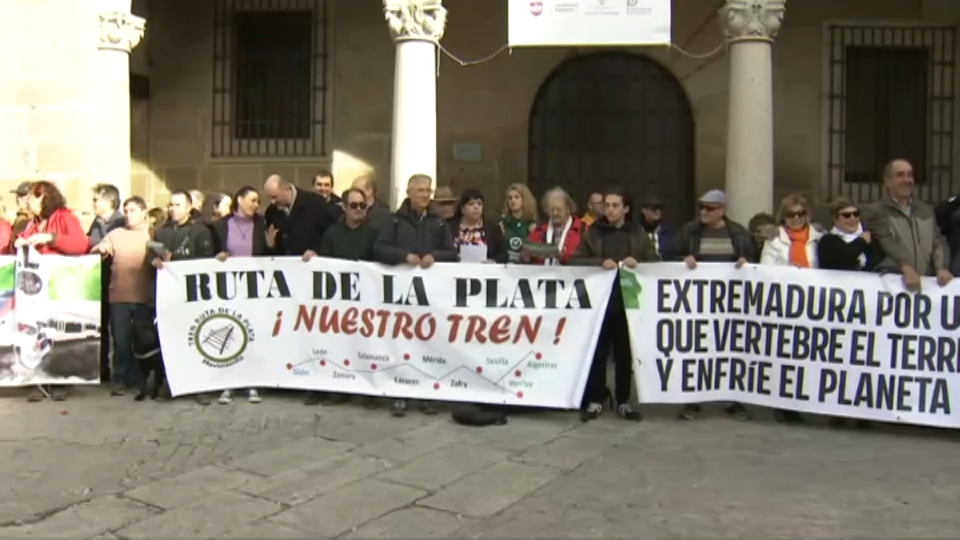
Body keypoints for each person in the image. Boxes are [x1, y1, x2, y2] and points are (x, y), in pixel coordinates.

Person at [571, 187, 656, 421]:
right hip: (600, 304)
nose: (609, 209)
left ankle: (623, 400)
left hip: (628, 303)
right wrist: (599, 262)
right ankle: (597, 399)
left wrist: (637, 261)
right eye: (606, 205)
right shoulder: (593, 233)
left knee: (624, 354)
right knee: (597, 353)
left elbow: (655, 261)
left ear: (626, 208)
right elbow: (575, 259)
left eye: (615, 205)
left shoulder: (638, 234)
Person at [375, 174, 456, 417]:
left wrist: (435, 257)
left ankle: (426, 394)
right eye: (420, 190)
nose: (425, 195)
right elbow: (379, 248)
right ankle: (400, 393)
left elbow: (452, 253)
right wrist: (404, 257)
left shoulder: (438, 222)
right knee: (402, 343)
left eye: (428, 190)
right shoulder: (395, 222)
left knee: (428, 344)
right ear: (409, 193)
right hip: (402, 296)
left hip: (430, 296)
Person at [670, 189, 755, 421]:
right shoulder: (689, 231)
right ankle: (693, 399)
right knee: (696, 348)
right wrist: (682, 260)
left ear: (722, 211)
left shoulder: (738, 233)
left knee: (731, 349)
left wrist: (746, 262)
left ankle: (734, 399)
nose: (704, 212)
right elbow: (669, 255)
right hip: (697, 303)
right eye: (702, 207)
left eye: (710, 208)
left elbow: (754, 261)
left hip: (730, 304)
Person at [307, 187, 384, 409]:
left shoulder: (375, 233)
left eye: (363, 205)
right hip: (339, 302)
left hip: (367, 301)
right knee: (339, 345)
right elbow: (323, 264)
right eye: (354, 205)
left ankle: (368, 390)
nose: (359, 209)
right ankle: (337, 388)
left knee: (366, 345)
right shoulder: (332, 233)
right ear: (344, 207)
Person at [15, 181, 89, 403]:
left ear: (44, 198)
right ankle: (39, 380)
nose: (28, 202)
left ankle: (60, 380)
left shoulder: (64, 217)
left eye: (33, 198)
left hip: (59, 283)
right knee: (37, 331)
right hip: (36, 287)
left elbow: (80, 244)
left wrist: (51, 238)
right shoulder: (33, 223)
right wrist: (21, 243)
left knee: (57, 331)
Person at [759, 194, 823, 424]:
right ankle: (782, 404)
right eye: (791, 214)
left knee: (804, 356)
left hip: (812, 306)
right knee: (784, 356)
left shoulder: (819, 239)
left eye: (800, 214)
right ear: (783, 217)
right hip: (785, 306)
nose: (796, 218)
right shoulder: (773, 241)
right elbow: (766, 270)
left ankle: (800, 400)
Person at [818, 197, 879, 429]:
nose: (852, 219)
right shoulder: (828, 241)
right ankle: (838, 410)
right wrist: (862, 241)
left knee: (864, 359)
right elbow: (841, 258)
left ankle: (863, 410)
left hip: (866, 309)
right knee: (840, 359)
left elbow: (877, 262)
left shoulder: (869, 240)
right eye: (846, 215)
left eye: (855, 214)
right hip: (838, 310)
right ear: (835, 218)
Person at [152, 190, 216, 405]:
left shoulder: (200, 231)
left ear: (189, 207)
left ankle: (200, 386)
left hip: (193, 295)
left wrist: (174, 258)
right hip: (169, 296)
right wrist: (154, 261)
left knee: (196, 339)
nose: (173, 209)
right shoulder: (161, 232)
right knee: (171, 340)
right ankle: (171, 384)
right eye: (170, 205)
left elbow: (206, 260)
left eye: (178, 205)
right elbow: (151, 257)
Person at [212, 186, 274, 405]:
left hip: (255, 288)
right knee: (229, 333)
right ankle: (227, 384)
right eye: (252, 200)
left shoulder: (262, 224)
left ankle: (252, 383)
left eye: (258, 201)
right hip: (228, 288)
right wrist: (219, 255)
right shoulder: (221, 225)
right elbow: (211, 252)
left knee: (252, 334)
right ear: (239, 200)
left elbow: (271, 256)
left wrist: (271, 245)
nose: (256, 205)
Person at [90, 196, 155, 399]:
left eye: (133, 210)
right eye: (126, 210)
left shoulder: (152, 233)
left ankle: (140, 379)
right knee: (121, 340)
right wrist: (100, 248)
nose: (128, 214)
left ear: (144, 212)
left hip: (144, 296)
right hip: (118, 296)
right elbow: (94, 249)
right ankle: (120, 379)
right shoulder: (115, 234)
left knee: (142, 341)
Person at [863, 159, 951, 290]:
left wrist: (942, 268)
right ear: (887, 181)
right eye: (900, 175)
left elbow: (937, 241)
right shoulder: (876, 212)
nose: (907, 179)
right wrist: (906, 267)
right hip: (894, 287)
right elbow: (888, 243)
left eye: (910, 175)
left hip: (927, 288)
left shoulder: (925, 210)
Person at [88, 183, 125, 384]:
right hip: (98, 281)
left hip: (116, 280)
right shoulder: (96, 222)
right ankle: (102, 370)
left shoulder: (121, 222)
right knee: (100, 327)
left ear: (110, 201)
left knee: (118, 330)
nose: (92, 203)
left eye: (96, 199)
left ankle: (122, 373)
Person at [262, 174, 336, 258]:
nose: (272, 202)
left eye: (275, 197)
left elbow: (332, 233)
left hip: (311, 265)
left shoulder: (315, 203)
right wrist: (271, 247)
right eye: (270, 198)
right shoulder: (271, 211)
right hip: (284, 265)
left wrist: (317, 251)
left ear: (286, 189)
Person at [526, 187, 584, 265]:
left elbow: (587, 258)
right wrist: (525, 256)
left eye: (558, 209)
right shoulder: (538, 232)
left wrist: (563, 257)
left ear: (568, 209)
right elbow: (527, 259)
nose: (555, 213)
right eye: (552, 210)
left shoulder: (582, 229)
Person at [447, 189, 507, 263]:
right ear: (462, 208)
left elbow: (503, 255)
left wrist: (493, 261)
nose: (476, 207)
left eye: (479, 204)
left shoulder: (493, 228)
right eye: (471, 204)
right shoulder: (449, 226)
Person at [498, 183, 538, 264]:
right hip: (505, 267)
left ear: (524, 200)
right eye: (510, 198)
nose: (513, 200)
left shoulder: (532, 225)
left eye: (517, 197)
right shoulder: (502, 223)